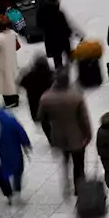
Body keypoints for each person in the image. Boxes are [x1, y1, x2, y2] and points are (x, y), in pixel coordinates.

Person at [37, 68, 92, 196]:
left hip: (59, 135)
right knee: (79, 164)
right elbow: (84, 119)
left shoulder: (46, 97)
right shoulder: (76, 97)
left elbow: (41, 117)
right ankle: (78, 187)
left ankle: (66, 183)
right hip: (77, 136)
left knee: (65, 160)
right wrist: (88, 135)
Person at [37, 0, 74, 70]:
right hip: (61, 41)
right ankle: (65, 76)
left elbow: (39, 24)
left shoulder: (42, 11)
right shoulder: (57, 13)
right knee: (66, 61)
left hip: (52, 42)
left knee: (58, 62)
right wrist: (70, 32)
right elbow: (64, 26)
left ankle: (62, 76)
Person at [18, 54, 53, 127]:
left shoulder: (29, 76)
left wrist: (25, 71)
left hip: (35, 108)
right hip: (50, 108)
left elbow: (20, 83)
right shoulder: (51, 74)